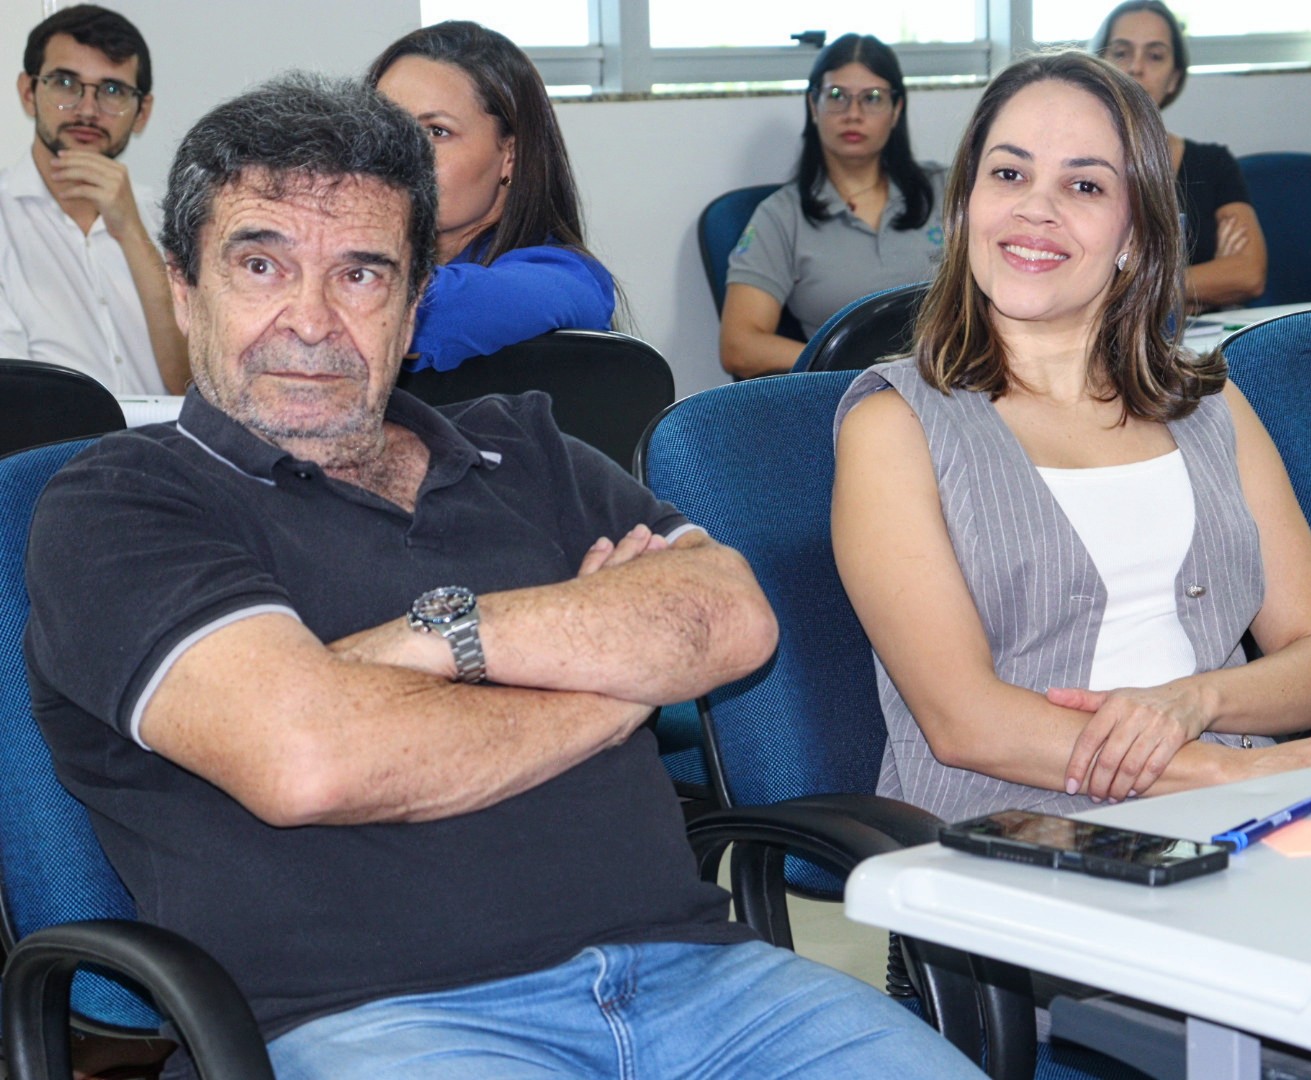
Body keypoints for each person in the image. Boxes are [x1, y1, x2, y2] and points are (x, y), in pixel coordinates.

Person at [24, 74, 984, 1080]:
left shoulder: (521, 448)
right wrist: (619, 685)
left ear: (413, 307)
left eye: (361, 275)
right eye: (261, 265)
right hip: (378, 1022)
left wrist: (434, 641)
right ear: (185, 291)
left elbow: (731, 618)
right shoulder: (120, 502)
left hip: (710, 984)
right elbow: (309, 757)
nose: (310, 320)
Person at [831, 50, 1311, 825]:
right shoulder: (895, 426)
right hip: (1014, 828)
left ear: (1135, 234)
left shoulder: (1209, 406)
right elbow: (964, 721)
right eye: (1008, 174)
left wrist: (1194, 701)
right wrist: (1228, 774)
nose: (1035, 210)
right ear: (964, 209)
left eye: (1084, 186)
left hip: (1236, 803)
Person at [368, 21, 614, 373]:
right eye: (383, 126)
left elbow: (422, 309)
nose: (397, 152)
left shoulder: (568, 278)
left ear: (511, 155)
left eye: (437, 131)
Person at [720, 33, 944, 379]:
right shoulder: (781, 216)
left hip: (950, 382)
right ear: (814, 106)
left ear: (896, 109)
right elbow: (739, 345)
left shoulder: (947, 189)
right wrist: (851, 363)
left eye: (872, 98)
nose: (853, 114)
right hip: (843, 393)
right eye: (837, 96)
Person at [0, 4, 185, 394]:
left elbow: (193, 387)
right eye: (65, 83)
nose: (87, 110)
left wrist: (132, 232)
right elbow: (11, 397)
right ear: (28, 93)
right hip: (46, 435)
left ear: (142, 113)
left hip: (167, 434)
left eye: (112, 90)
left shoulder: (169, 220)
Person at [1093, 0, 1266, 311]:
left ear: (1173, 78)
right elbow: (1075, 283)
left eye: (1155, 56)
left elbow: (1248, 275)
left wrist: (1134, 289)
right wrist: (1198, 286)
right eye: (1121, 53)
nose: (1136, 68)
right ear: (1097, 66)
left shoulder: (1213, 163)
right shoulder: (1075, 167)